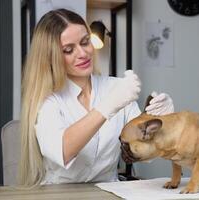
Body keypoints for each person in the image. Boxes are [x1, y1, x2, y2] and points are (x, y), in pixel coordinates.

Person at [18, 8, 174, 187]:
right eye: (69, 50)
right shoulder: (48, 100)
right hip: (59, 194)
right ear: (51, 57)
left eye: (85, 42)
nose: (83, 53)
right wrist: (107, 107)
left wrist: (162, 121)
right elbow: (62, 151)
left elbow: (144, 152)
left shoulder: (117, 88)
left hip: (109, 191)